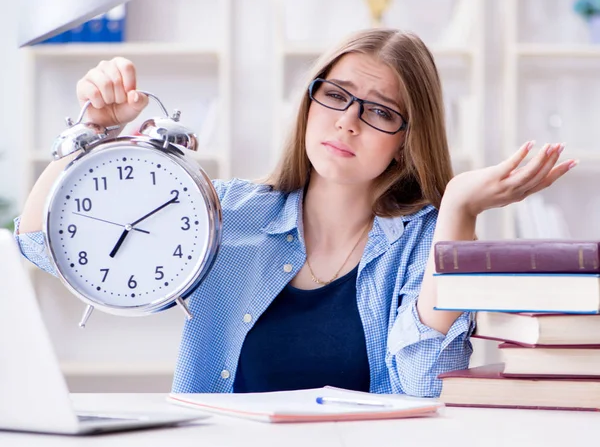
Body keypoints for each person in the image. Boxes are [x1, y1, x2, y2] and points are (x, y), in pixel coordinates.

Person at [14, 28, 576, 397]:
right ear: (309, 103)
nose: (347, 122)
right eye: (335, 95)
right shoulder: (224, 214)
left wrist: (456, 210)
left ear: (407, 140)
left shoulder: (419, 243)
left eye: (380, 111)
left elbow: (426, 384)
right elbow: (42, 246)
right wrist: (92, 133)